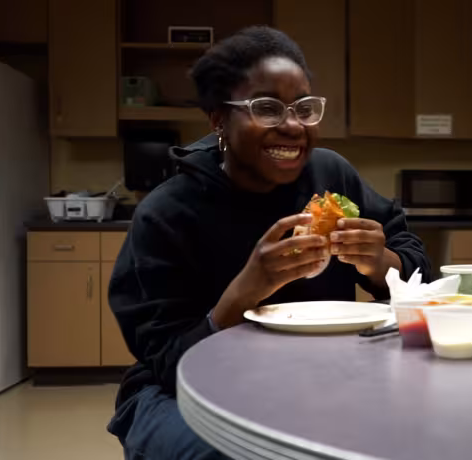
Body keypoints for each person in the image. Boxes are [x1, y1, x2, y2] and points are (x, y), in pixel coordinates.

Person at [106, 26, 431, 459]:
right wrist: (247, 290)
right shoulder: (168, 213)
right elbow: (168, 361)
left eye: (303, 107)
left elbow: (419, 271)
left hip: (323, 371)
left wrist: (380, 262)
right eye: (267, 108)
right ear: (219, 118)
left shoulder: (330, 175)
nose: (293, 126)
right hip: (179, 390)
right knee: (247, 451)